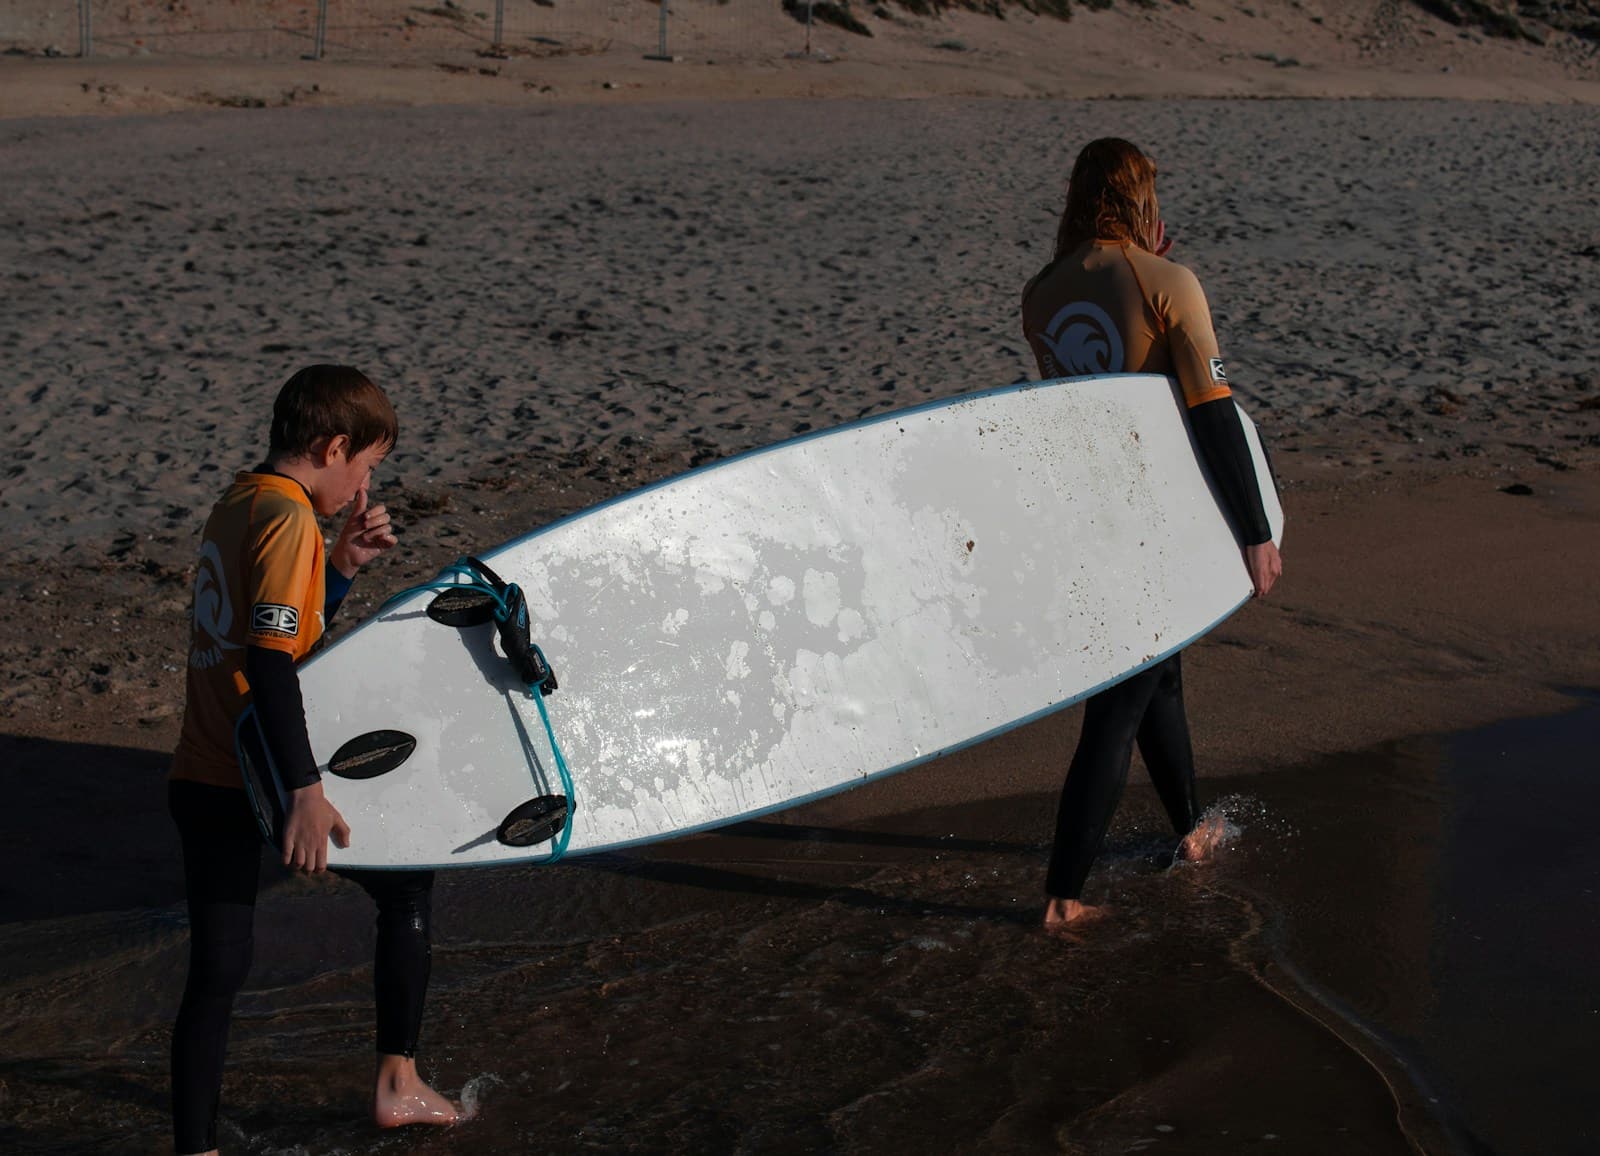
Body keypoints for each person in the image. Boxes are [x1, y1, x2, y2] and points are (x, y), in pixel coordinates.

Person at [168, 365, 459, 1154]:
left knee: (217, 976)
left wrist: (340, 569)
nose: (365, 484)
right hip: (263, 776)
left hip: (201, 776)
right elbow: (270, 665)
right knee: (407, 884)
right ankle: (397, 1083)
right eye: (366, 467)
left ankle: (194, 1147)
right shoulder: (290, 518)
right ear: (334, 446)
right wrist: (304, 789)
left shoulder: (244, 500)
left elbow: (278, 633)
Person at [1020, 138, 1283, 930]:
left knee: (1158, 676)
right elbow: (1209, 412)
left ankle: (1191, 832)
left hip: (1087, 515)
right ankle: (1063, 896)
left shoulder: (1040, 292)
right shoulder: (1168, 284)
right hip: (1151, 517)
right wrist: (1255, 529)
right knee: (1123, 699)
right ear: (1142, 198)